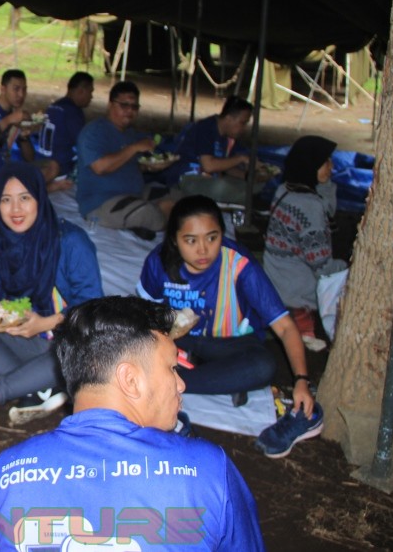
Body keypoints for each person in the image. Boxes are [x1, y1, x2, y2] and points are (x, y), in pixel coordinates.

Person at [0, 296, 265, 552]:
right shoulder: (208, 471)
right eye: (173, 368)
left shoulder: (6, 473)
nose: (181, 384)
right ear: (130, 380)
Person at [136, 194, 323, 458]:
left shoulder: (240, 264)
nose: (203, 250)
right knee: (137, 344)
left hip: (231, 344)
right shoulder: (158, 263)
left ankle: (172, 381)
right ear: (174, 241)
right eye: (190, 240)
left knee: (263, 366)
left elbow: (284, 327)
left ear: (222, 235)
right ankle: (203, 376)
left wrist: (302, 380)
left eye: (212, 238)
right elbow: (145, 314)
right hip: (180, 341)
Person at [0, 162, 104, 429]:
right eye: (6, 200)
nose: (15, 209)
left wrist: (46, 323)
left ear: (40, 199)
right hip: (27, 342)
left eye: (24, 198)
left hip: (69, 340)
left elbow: (92, 308)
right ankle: (38, 387)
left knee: (74, 353)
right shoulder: (4, 245)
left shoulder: (70, 242)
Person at [264, 136, 346, 352]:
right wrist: (347, 269)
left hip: (275, 280)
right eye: (326, 161)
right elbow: (322, 267)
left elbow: (326, 207)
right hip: (295, 291)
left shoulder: (285, 190)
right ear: (310, 166)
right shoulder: (309, 207)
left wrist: (325, 182)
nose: (332, 166)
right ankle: (304, 329)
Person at [76, 81, 177, 240]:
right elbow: (100, 167)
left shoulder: (130, 133)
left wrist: (151, 167)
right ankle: (159, 219)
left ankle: (150, 219)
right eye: (124, 105)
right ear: (110, 105)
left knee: (177, 196)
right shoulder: (93, 132)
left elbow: (132, 164)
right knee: (149, 214)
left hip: (134, 194)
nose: (130, 111)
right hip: (102, 202)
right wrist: (134, 147)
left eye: (134, 106)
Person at [167, 96, 261, 203]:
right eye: (242, 123)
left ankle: (239, 199)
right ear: (229, 118)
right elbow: (209, 166)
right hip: (187, 177)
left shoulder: (225, 137)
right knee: (221, 188)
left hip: (210, 178)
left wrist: (247, 176)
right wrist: (240, 158)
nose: (244, 128)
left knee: (256, 184)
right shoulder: (206, 127)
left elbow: (222, 166)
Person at [23, 71, 93, 190]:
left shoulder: (54, 106)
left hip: (42, 162)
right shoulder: (73, 111)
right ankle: (46, 188)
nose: (91, 97)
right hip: (60, 168)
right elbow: (83, 143)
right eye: (90, 92)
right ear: (81, 91)